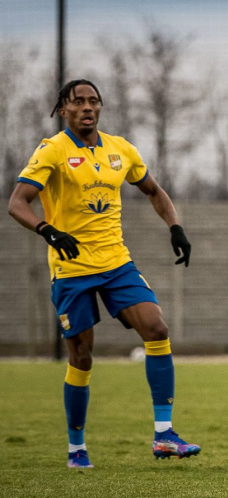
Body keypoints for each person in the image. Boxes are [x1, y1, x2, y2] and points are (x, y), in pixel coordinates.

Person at [8, 79, 200, 468]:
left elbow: (153, 191)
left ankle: (164, 435)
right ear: (63, 109)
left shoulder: (121, 149)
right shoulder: (52, 151)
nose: (87, 107)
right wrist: (48, 230)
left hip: (115, 263)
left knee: (157, 329)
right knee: (82, 355)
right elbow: (17, 204)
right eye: (77, 101)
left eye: (93, 101)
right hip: (71, 268)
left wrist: (175, 227)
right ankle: (76, 447)